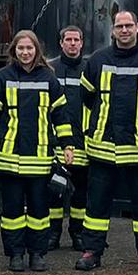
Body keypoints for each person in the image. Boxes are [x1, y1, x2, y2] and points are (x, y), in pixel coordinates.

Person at [76, 10, 138, 273]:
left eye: (129, 25)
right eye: (120, 26)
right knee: (96, 205)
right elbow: (87, 96)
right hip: (103, 148)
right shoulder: (98, 60)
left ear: (137, 27)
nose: (124, 30)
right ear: (113, 30)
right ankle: (91, 251)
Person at [0, 30, 72, 272]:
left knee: (39, 212)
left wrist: (67, 145)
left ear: (37, 50)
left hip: (40, 159)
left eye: (29, 48)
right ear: (14, 51)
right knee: (11, 212)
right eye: (21, 48)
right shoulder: (2, 77)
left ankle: (37, 254)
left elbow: (60, 116)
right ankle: (15, 254)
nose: (25, 52)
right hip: (9, 158)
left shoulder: (49, 78)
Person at [47, 25, 89, 251]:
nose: (72, 44)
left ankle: (77, 233)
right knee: (54, 191)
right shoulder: (50, 68)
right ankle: (53, 233)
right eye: (68, 40)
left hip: (82, 141)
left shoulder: (89, 69)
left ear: (82, 43)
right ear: (61, 43)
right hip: (55, 140)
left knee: (81, 192)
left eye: (76, 40)